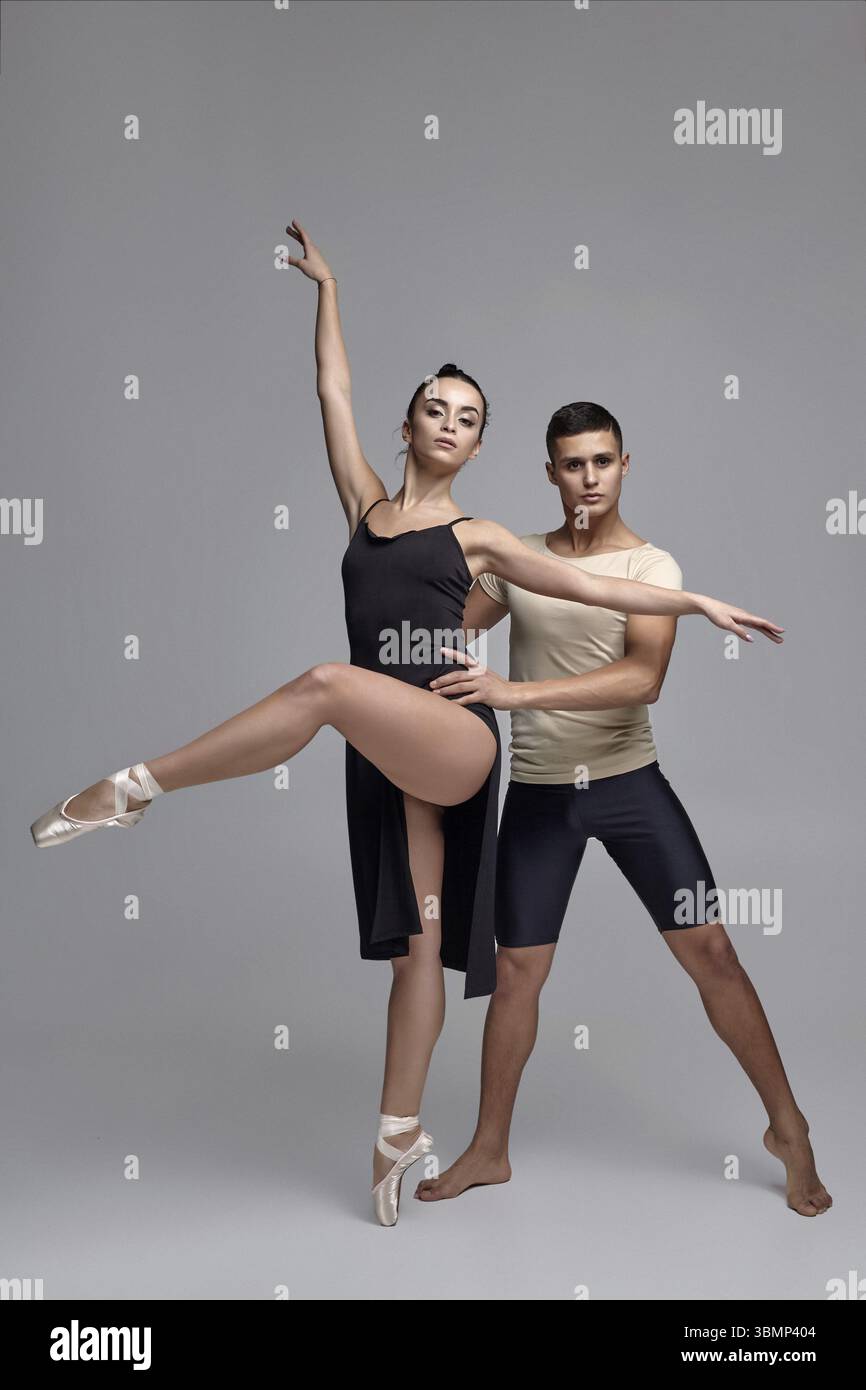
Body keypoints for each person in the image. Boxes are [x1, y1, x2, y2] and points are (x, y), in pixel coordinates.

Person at [28, 224, 784, 1226]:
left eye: (467, 417)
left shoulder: (478, 536)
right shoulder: (365, 505)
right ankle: (396, 1133)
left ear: (477, 444)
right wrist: (326, 286)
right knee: (415, 949)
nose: (447, 421)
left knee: (324, 684)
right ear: (410, 423)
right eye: (433, 406)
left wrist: (699, 606)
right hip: (384, 757)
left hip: (452, 738)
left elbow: (573, 578)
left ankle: (134, 788)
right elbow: (329, 394)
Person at [413, 401, 831, 1218]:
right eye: (572, 464)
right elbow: (439, 629)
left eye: (602, 461)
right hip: (539, 797)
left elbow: (642, 681)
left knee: (712, 954)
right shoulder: (520, 559)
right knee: (517, 977)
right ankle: (490, 1148)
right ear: (550, 473)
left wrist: (510, 691)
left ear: (625, 465)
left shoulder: (653, 570)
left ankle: (791, 1129)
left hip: (631, 789)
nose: (588, 478)